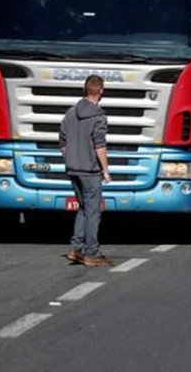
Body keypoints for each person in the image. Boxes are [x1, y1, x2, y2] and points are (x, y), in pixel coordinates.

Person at [59, 75, 113, 267]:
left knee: (83, 208)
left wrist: (70, 160)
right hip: (90, 171)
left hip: (72, 169)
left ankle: (76, 248)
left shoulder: (70, 113)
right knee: (93, 211)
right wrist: (106, 170)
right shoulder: (98, 116)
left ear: (85, 90)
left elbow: (63, 142)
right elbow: (100, 146)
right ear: (101, 91)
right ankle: (92, 252)